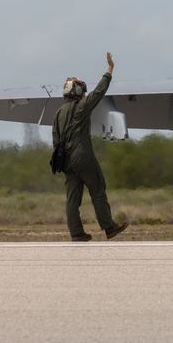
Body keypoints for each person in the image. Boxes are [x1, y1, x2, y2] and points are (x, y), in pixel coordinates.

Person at [52, 52, 128, 242]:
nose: (84, 92)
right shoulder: (80, 108)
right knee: (98, 189)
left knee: (72, 199)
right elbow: (98, 93)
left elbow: (55, 139)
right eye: (81, 89)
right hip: (82, 155)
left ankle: (76, 233)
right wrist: (109, 70)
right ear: (75, 92)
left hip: (66, 161)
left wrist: (62, 161)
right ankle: (109, 227)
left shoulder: (58, 113)